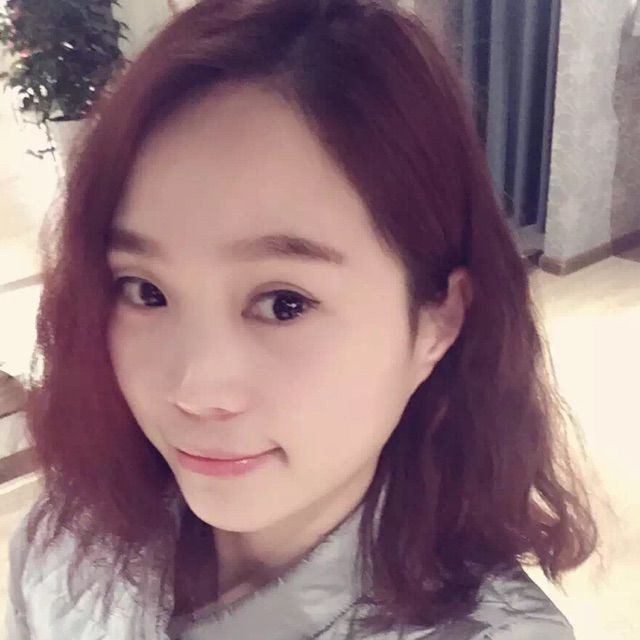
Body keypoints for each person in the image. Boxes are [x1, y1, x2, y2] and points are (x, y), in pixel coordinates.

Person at [6, 1, 597, 638]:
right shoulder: (66, 546)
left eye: (283, 303)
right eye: (145, 291)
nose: (195, 392)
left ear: (437, 320)